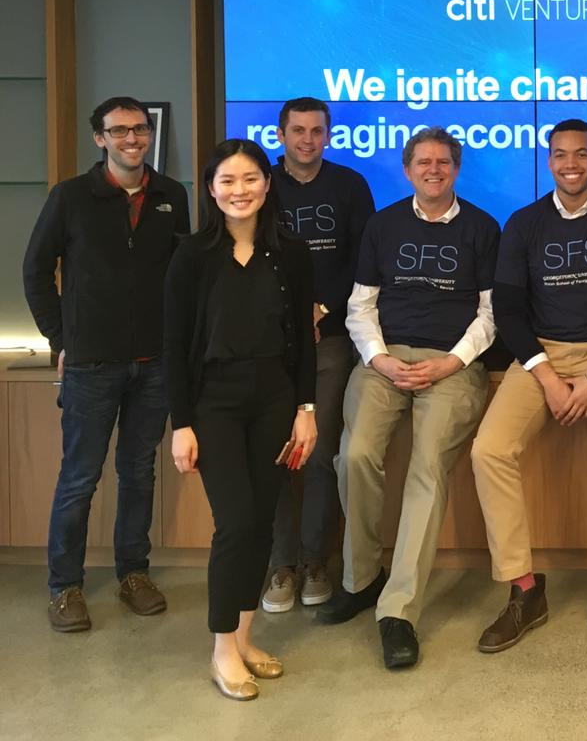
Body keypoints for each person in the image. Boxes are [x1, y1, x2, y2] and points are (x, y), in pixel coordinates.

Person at [471, 119, 587, 655]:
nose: (570, 163)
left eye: (580, 154)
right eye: (560, 155)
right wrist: (547, 377)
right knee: (489, 450)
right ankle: (525, 589)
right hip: (540, 358)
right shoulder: (524, 223)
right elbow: (508, 308)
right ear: (548, 161)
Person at [320, 127, 499, 670]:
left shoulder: (482, 228)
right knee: (354, 454)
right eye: (423, 162)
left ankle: (397, 611)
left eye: (444, 162)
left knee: (426, 467)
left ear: (456, 169)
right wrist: (379, 359)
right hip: (386, 359)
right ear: (407, 169)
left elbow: (491, 315)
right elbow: (359, 306)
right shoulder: (384, 224)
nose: (434, 170)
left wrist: (450, 361)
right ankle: (360, 577)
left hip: (454, 364)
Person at [23, 95, 190, 632]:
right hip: (91, 365)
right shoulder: (71, 196)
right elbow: (35, 270)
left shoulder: (172, 195)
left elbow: (182, 275)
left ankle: (133, 574)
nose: (132, 139)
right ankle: (64, 587)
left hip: (155, 365)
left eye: (139, 129)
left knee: (139, 473)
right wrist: (59, 337)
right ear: (100, 139)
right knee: (79, 478)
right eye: (119, 131)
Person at [164, 139, 317, 701]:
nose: (239, 190)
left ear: (267, 184)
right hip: (215, 404)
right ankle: (222, 648)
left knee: (262, 523)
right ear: (211, 189)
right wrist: (181, 422)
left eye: (250, 179)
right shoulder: (191, 255)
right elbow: (174, 344)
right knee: (234, 523)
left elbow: (303, 343)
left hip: (276, 399)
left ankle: (246, 638)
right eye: (227, 181)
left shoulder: (293, 254)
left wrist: (306, 410)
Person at [262, 96, 374, 614]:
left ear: (328, 135)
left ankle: (314, 562)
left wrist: (322, 307)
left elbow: (364, 263)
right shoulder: (259, 185)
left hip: (330, 342)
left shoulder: (349, 186)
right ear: (281, 134)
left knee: (321, 452)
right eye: (298, 130)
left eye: (317, 131)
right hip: (266, 345)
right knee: (276, 453)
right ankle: (280, 566)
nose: (308, 139)